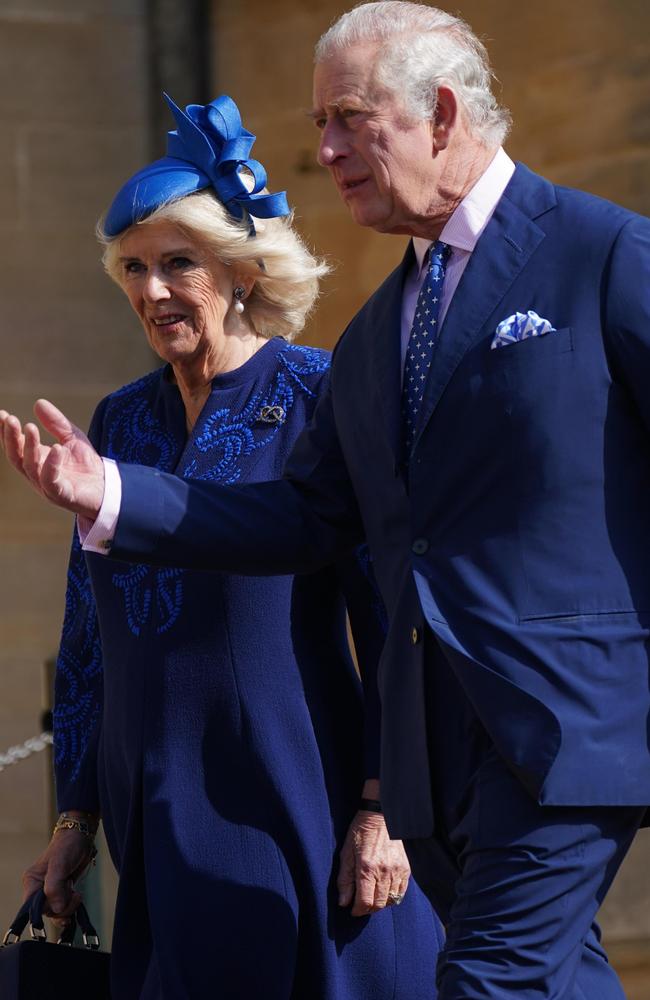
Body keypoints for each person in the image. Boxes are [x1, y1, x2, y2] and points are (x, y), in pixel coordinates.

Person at [2, 2, 650, 997]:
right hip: (435, 760)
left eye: (347, 118)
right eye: (318, 126)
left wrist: (371, 801)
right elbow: (302, 522)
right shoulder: (375, 336)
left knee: (488, 981)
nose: (326, 150)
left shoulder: (600, 253)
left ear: (439, 113)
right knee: (558, 980)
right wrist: (115, 494)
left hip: (560, 726)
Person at [5, 91, 442, 1000]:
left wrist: (385, 805)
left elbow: (394, 612)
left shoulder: (323, 390)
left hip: (296, 787)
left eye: (177, 263)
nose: (151, 289)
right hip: (154, 802)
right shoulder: (119, 417)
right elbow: (86, 632)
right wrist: (75, 814)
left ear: (240, 270)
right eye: (131, 268)